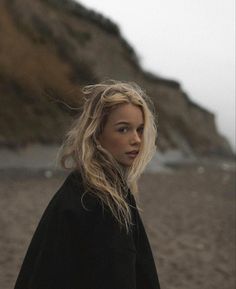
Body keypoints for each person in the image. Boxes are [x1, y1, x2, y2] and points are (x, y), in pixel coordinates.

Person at [14, 80, 161, 289]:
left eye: (139, 129)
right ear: (97, 133)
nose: (136, 139)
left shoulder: (95, 187)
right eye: (123, 129)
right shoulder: (97, 199)